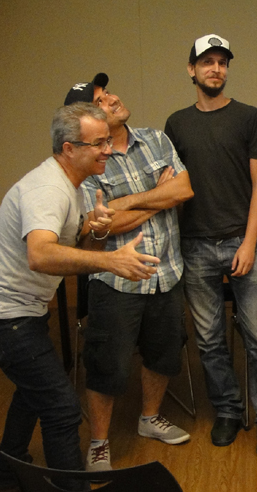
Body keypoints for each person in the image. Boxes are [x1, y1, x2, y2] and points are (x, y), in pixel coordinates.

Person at [0, 103, 159, 491]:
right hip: (2, 319)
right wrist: (111, 261)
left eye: (108, 141)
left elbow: (72, 250)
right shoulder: (49, 190)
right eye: (99, 143)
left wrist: (97, 230)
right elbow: (40, 255)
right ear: (68, 148)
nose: (108, 150)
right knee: (62, 410)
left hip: (21, 313)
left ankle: (7, 475)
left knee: (31, 395)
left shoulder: (71, 186)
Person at [64, 74, 194, 471]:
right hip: (115, 281)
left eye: (108, 92)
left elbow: (183, 191)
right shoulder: (87, 162)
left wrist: (125, 203)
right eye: (100, 101)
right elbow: (100, 226)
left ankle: (149, 417)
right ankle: (99, 442)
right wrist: (158, 198)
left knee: (163, 354)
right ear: (85, 121)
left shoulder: (156, 139)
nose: (112, 99)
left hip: (166, 273)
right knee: (108, 366)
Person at [164, 33, 257, 457]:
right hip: (194, 246)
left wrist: (250, 243)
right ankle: (228, 410)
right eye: (207, 62)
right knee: (210, 340)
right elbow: (174, 187)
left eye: (222, 62)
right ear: (192, 70)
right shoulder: (176, 124)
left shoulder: (250, 117)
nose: (216, 69)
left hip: (241, 240)